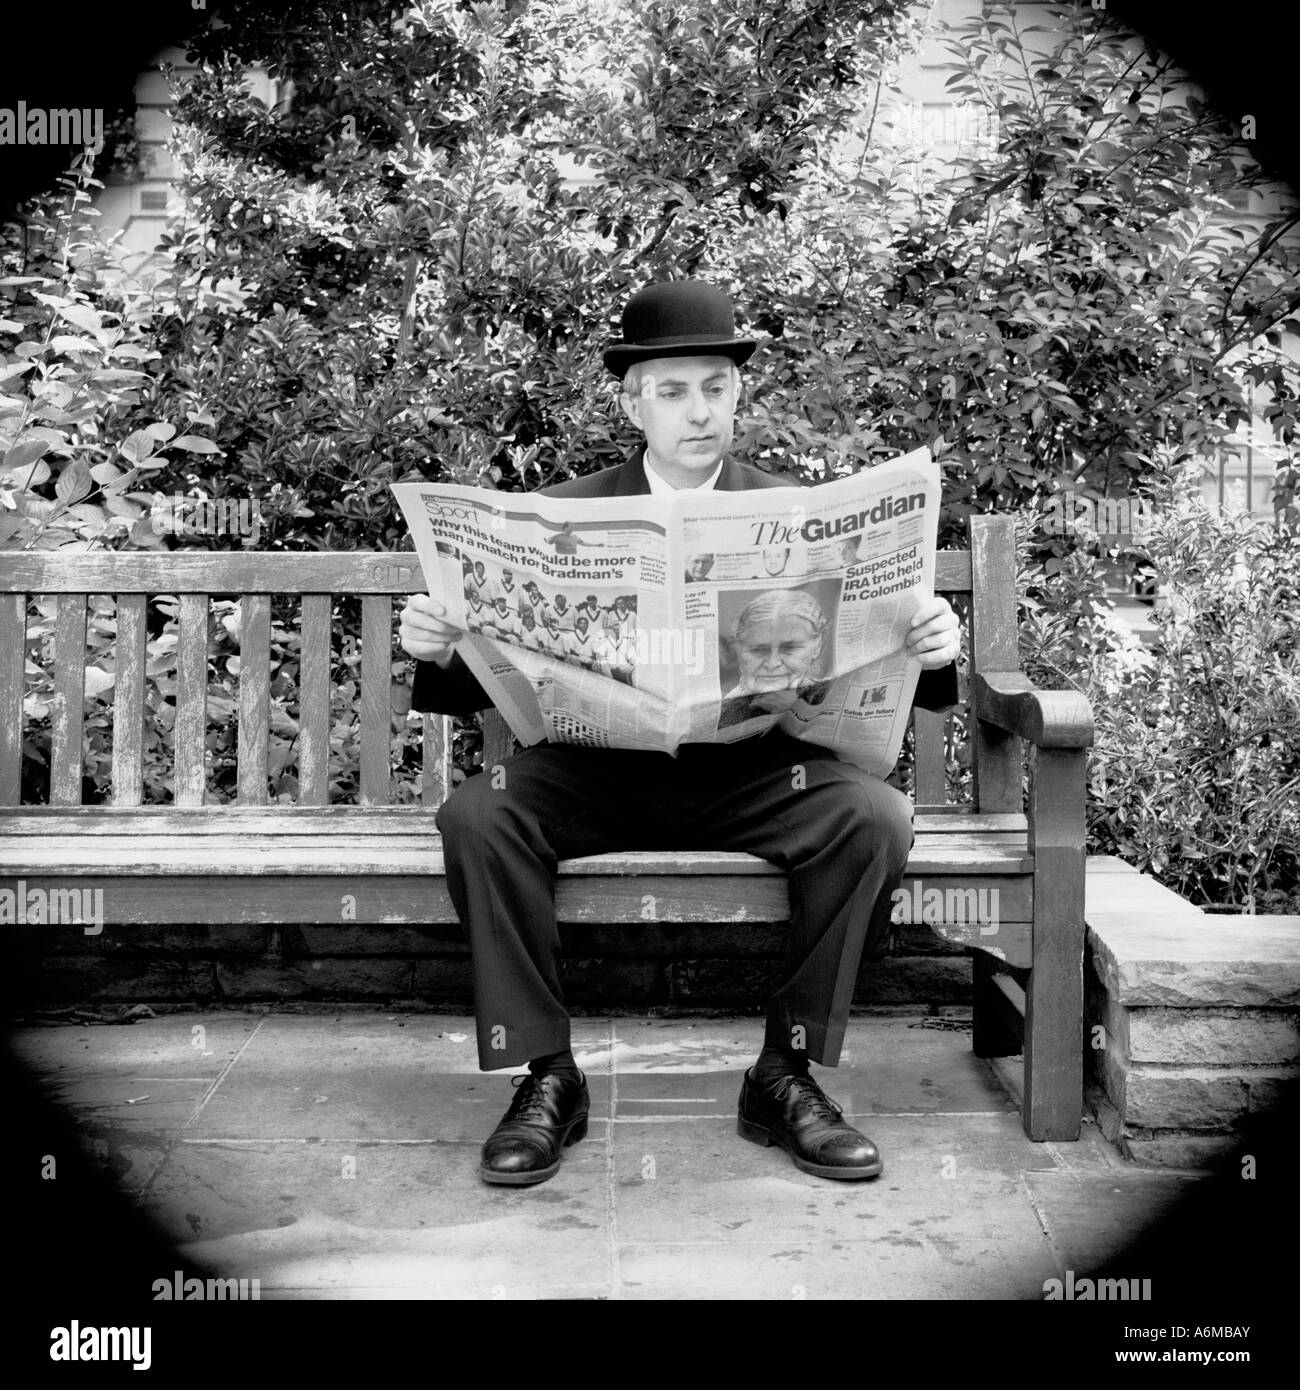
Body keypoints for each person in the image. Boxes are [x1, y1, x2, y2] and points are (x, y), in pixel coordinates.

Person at [398, 280, 960, 1188]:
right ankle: (548, 1077)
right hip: (593, 774)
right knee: (477, 816)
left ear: (738, 393)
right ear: (633, 400)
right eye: (674, 390)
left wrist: (933, 649)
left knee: (875, 819)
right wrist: (435, 644)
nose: (699, 411)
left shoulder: (797, 516)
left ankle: (787, 1073)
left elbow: (889, 672)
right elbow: (475, 682)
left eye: (716, 387)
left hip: (755, 774)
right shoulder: (562, 515)